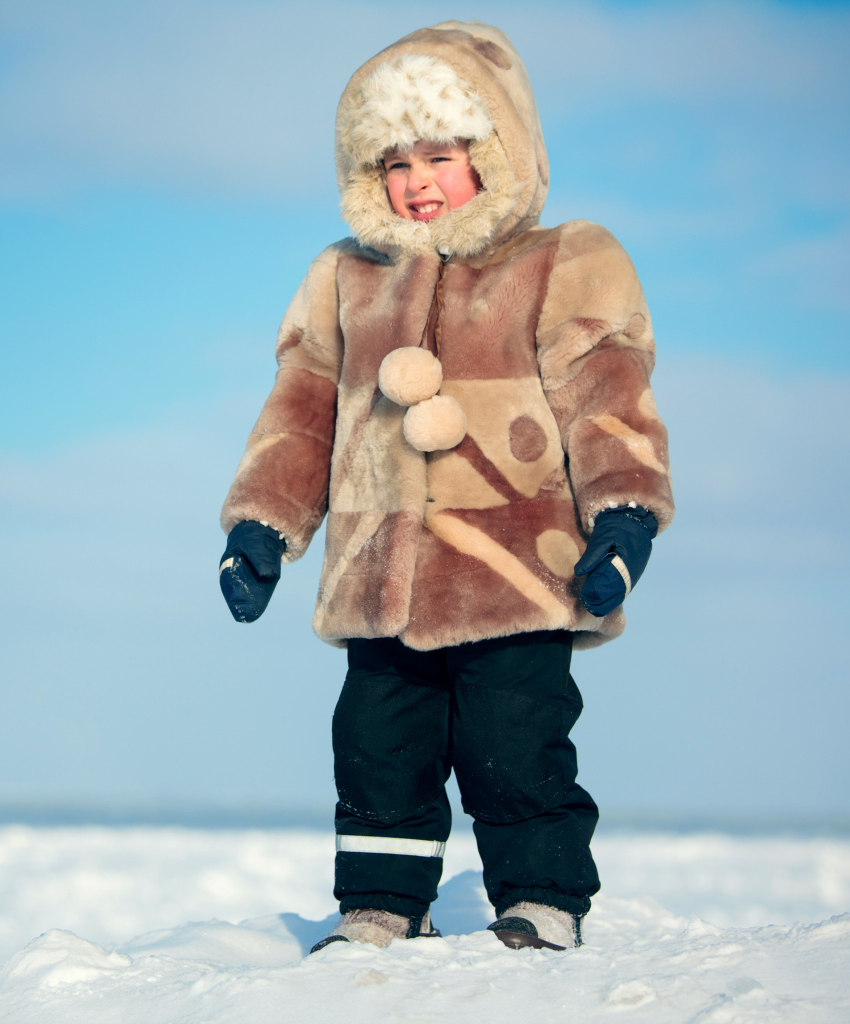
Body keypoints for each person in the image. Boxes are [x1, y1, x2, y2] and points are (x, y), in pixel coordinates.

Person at [217, 21, 673, 953]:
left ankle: (541, 900)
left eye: (440, 154)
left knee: (516, 743)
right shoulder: (345, 280)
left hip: (518, 573)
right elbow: (300, 413)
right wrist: (260, 528)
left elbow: (606, 401)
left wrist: (623, 518)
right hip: (377, 580)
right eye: (394, 160)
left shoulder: (559, 263)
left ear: (494, 152)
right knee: (377, 748)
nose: (417, 179)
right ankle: (382, 907)